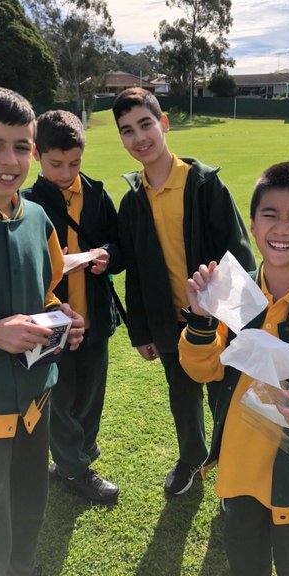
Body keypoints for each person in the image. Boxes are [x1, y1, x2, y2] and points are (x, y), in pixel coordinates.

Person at [181, 162, 289, 576]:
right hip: (241, 470)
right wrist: (202, 318)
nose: (282, 228)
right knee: (246, 563)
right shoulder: (233, 289)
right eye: (270, 215)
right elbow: (203, 369)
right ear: (254, 225)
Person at [0, 86, 85, 576]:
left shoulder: (37, 217)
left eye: (21, 146)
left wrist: (61, 318)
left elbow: (47, 291)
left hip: (36, 400)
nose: (9, 160)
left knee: (30, 514)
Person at [112, 87, 252, 496]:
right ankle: (191, 457)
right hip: (169, 325)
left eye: (145, 124)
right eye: (127, 131)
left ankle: (230, 467)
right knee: (182, 399)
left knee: (225, 398)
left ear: (164, 124)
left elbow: (240, 255)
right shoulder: (132, 200)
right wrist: (141, 332)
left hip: (218, 323)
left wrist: (238, 322)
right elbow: (134, 273)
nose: (139, 137)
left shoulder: (204, 185)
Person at [23, 108, 123, 505]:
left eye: (75, 163)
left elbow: (120, 245)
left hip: (94, 317)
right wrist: (49, 262)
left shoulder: (97, 194)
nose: (66, 172)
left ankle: (73, 458)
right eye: (56, 164)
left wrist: (107, 255)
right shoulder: (26, 202)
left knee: (90, 393)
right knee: (58, 398)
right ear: (36, 156)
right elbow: (18, 264)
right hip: (50, 320)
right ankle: (76, 469)